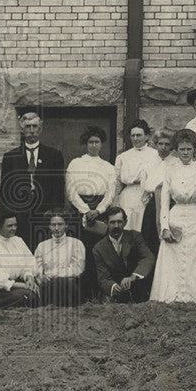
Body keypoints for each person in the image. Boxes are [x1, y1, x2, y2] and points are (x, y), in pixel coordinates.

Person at [149, 129, 196, 305]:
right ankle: (170, 296)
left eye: (188, 149)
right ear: (177, 149)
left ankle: (194, 298)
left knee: (195, 257)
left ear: (194, 150)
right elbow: (165, 201)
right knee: (173, 256)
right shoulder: (170, 169)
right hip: (176, 214)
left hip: (195, 215)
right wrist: (165, 227)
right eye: (182, 149)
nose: (185, 153)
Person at [0, 111, 66, 250]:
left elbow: (59, 187)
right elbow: (5, 190)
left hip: (45, 215)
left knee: (46, 252)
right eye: (28, 127)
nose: (32, 130)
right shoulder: (10, 157)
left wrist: (54, 212)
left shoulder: (54, 155)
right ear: (22, 130)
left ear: (40, 129)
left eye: (35, 126)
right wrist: (11, 216)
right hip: (20, 216)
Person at [66, 125, 117, 300]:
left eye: (97, 142)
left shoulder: (108, 166)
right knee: (81, 252)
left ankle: (101, 292)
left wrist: (99, 210)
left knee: (100, 253)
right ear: (86, 144)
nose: (94, 146)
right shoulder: (76, 163)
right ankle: (83, 294)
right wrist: (86, 211)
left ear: (101, 144)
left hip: (100, 212)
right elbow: (71, 191)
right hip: (81, 211)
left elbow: (111, 193)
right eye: (91, 142)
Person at [93, 206, 156, 303]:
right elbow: (103, 277)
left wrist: (133, 277)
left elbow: (148, 258)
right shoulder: (99, 248)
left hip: (137, 289)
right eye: (112, 222)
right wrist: (113, 287)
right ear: (106, 223)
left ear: (125, 223)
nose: (116, 226)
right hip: (116, 293)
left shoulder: (135, 237)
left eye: (119, 222)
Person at [0, 206, 39, 308]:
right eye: (9, 226)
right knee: (28, 295)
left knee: (41, 290)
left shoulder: (18, 241)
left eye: (15, 225)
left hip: (19, 286)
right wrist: (24, 286)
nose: (13, 228)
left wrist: (29, 277)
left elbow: (29, 262)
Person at [113, 120, 161, 232]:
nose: (135, 138)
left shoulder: (155, 155)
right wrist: (115, 201)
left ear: (147, 136)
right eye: (132, 135)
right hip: (128, 196)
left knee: (144, 228)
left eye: (138, 135)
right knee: (127, 228)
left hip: (147, 196)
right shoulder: (123, 157)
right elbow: (117, 181)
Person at [34, 211, 85, 307]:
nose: (57, 228)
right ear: (49, 226)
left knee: (61, 283)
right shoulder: (42, 246)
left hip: (68, 287)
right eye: (53, 225)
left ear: (66, 225)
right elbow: (37, 268)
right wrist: (41, 277)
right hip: (48, 286)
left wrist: (54, 276)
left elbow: (78, 268)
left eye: (60, 224)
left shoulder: (76, 244)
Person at [140, 129, 174, 257]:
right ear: (155, 144)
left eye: (167, 144)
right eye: (160, 144)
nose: (163, 147)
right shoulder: (149, 162)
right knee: (150, 239)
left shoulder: (176, 162)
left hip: (170, 204)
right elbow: (144, 188)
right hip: (153, 205)